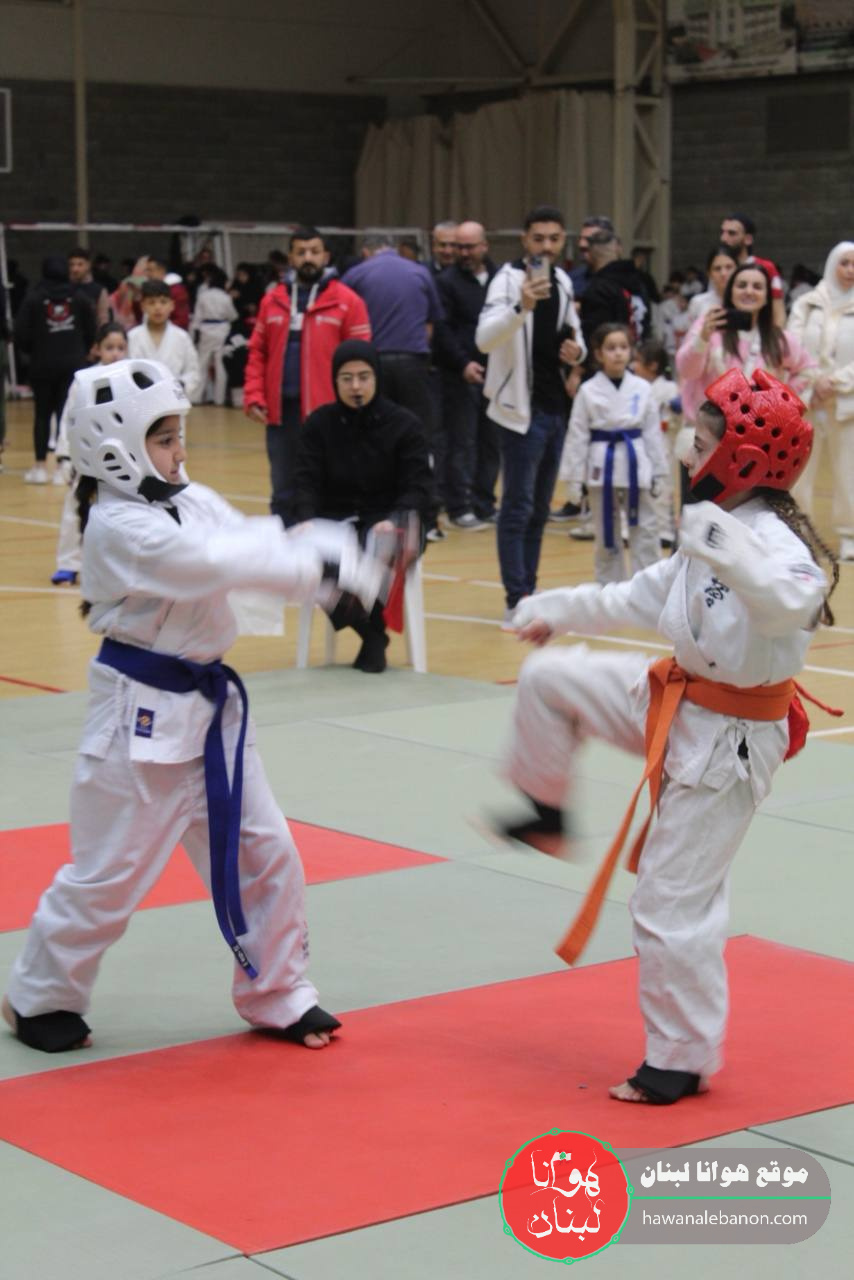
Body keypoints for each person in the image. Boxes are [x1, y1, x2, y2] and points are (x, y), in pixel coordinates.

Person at [3, 356, 384, 1054]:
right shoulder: (118, 526)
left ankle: (279, 992)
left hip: (212, 714)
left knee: (267, 853)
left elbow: (249, 539)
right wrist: (324, 564)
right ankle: (40, 995)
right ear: (114, 449)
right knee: (109, 877)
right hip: (136, 724)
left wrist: (332, 561)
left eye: (179, 435)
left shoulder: (187, 498)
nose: (180, 451)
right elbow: (211, 563)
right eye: (164, 439)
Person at [497, 367, 837, 1104]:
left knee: (669, 902)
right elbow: (636, 596)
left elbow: (797, 598)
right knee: (549, 678)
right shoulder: (710, 528)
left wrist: (727, 548)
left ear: (743, 458)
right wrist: (554, 609)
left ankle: (681, 1058)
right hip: (678, 700)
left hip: (730, 743)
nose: (688, 450)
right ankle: (544, 809)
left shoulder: (771, 543)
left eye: (704, 441)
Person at [294, 340, 433, 673]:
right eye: (347, 378)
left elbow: (419, 488)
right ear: (335, 381)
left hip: (390, 520)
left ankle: (371, 632)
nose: (355, 386)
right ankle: (371, 634)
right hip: (337, 521)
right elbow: (304, 482)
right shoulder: (318, 425)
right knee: (307, 555)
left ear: (377, 378)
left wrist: (394, 518)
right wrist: (306, 519)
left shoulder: (405, 425)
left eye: (363, 377)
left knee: (388, 543)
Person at [476, 205, 586, 624]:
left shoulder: (562, 281)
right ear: (524, 239)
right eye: (538, 238)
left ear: (563, 241)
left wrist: (578, 353)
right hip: (519, 410)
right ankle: (514, 599)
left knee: (540, 509)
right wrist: (520, 306)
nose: (546, 246)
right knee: (517, 507)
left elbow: (574, 336)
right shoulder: (506, 281)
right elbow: (484, 340)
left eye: (554, 238)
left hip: (555, 408)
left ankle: (529, 590)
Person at [244, 226, 371, 526]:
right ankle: (285, 548)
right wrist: (254, 395)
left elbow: (361, 360)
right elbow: (257, 352)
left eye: (314, 251)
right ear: (290, 258)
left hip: (330, 414)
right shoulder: (272, 301)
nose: (308, 258)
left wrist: (355, 403)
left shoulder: (348, 301)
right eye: (301, 252)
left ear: (326, 256)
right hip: (281, 415)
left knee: (330, 486)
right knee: (283, 489)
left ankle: (327, 548)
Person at [559, 324, 668, 584]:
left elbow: (652, 433)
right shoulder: (588, 390)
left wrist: (659, 471)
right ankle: (610, 590)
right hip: (602, 464)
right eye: (611, 348)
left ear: (630, 351)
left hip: (636, 460)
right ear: (598, 354)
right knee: (606, 532)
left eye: (623, 347)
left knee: (646, 529)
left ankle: (647, 588)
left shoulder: (642, 388)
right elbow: (577, 435)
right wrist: (574, 479)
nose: (618, 353)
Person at [676, 262, 815, 431]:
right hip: (710, 431)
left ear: (766, 297)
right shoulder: (709, 327)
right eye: (742, 285)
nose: (749, 291)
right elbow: (687, 371)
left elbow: (808, 370)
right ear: (731, 292)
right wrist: (703, 337)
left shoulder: (778, 338)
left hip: (758, 433)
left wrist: (780, 400)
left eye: (757, 287)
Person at [788, 241, 854, 560]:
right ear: (831, 265)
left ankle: (849, 535)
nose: (850, 270)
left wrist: (836, 382)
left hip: (847, 401)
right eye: (845, 263)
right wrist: (815, 381)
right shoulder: (807, 304)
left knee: (849, 472)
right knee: (800, 470)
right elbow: (792, 346)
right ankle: (798, 532)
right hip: (808, 399)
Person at [433, 220, 499, 528]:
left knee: (491, 441)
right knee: (462, 441)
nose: (462, 253)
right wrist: (463, 364)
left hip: (497, 374)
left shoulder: (501, 279)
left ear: (484, 246)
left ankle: (485, 503)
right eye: (459, 247)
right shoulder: (445, 282)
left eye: (469, 247)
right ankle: (459, 505)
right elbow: (443, 330)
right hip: (460, 375)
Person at [51, 322, 129, 584]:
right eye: (109, 347)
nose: (115, 353)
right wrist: (65, 456)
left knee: (122, 513)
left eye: (120, 348)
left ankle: (119, 566)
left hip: (122, 458)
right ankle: (68, 563)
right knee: (75, 508)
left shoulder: (132, 380)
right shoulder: (83, 380)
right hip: (86, 455)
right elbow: (68, 418)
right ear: (97, 349)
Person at [14, 255, 96, 483]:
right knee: (66, 413)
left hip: (42, 364)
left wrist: (34, 350)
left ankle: (40, 466)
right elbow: (91, 330)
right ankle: (64, 465)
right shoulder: (79, 297)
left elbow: (21, 334)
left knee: (42, 414)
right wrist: (80, 350)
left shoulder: (34, 298)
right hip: (73, 365)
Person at [632, 337, 681, 547]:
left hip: (665, 442)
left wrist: (675, 407)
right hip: (641, 442)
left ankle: (664, 530)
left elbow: (678, 415)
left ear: (652, 365)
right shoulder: (636, 388)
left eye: (638, 360)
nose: (633, 366)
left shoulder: (669, 388)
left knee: (663, 486)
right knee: (637, 485)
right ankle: (635, 527)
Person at [580, 230, 652, 356]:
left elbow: (595, 337)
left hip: (611, 360)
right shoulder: (639, 283)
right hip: (639, 357)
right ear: (619, 249)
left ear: (590, 254)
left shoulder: (597, 289)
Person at [128, 280, 201, 402]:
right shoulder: (132, 336)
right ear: (143, 306)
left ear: (172, 305)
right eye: (151, 302)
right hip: (141, 402)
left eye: (163, 302)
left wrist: (181, 385)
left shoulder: (182, 337)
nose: (157, 307)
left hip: (174, 401)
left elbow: (193, 372)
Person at [719, 213, 785, 327]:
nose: (723, 238)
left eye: (732, 233)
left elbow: (778, 313)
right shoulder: (719, 267)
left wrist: (775, 336)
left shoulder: (767, 268)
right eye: (722, 232)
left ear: (748, 239)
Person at [192, 264, 238, 405]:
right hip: (222, 329)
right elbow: (233, 315)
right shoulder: (225, 297)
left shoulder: (203, 296)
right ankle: (219, 398)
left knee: (202, 364)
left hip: (206, 329)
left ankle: (195, 397)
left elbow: (197, 317)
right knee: (220, 365)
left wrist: (195, 332)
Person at [686, 245, 740, 324]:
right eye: (717, 269)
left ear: (738, 270)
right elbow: (691, 331)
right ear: (709, 274)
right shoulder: (698, 302)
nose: (723, 273)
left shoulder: (746, 301)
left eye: (729, 267)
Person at [569, 215, 616, 300]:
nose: (581, 244)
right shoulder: (572, 278)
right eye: (581, 238)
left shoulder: (625, 280)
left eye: (589, 239)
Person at [68, 247, 110, 329]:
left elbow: (103, 320)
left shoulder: (99, 290)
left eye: (80, 264)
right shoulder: (63, 289)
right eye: (72, 265)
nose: (75, 269)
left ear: (88, 265)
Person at [145, 256, 191, 330]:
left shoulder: (177, 290)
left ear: (161, 270)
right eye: (147, 270)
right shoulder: (150, 288)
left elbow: (181, 320)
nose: (147, 274)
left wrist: (159, 329)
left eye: (150, 270)